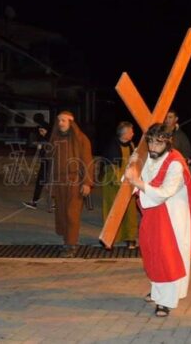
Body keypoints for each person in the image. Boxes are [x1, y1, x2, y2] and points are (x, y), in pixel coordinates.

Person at [123, 123, 191, 317]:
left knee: (168, 257)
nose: (154, 147)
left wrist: (137, 182)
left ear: (168, 142)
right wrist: (132, 165)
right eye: (151, 142)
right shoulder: (150, 157)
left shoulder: (175, 163)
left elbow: (164, 193)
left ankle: (166, 301)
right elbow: (135, 178)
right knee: (153, 253)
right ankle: (158, 292)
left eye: (159, 143)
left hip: (172, 218)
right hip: (154, 215)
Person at [48, 110, 94, 257]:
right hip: (59, 181)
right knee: (61, 213)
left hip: (75, 181)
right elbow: (51, 162)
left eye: (64, 120)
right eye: (59, 120)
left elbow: (87, 161)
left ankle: (71, 245)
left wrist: (87, 183)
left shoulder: (81, 139)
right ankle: (66, 240)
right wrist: (50, 182)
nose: (60, 123)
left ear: (71, 123)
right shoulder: (55, 139)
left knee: (71, 213)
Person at [101, 121, 138, 249]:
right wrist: (119, 182)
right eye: (131, 131)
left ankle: (130, 238)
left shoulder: (132, 145)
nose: (133, 133)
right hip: (112, 183)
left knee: (130, 212)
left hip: (128, 182)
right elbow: (110, 167)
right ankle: (109, 238)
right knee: (112, 211)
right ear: (125, 133)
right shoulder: (112, 145)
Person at [22, 115, 52, 210]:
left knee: (52, 184)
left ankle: (54, 203)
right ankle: (34, 202)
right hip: (45, 163)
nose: (41, 133)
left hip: (52, 164)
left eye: (43, 131)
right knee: (40, 182)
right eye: (40, 131)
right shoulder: (43, 138)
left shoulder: (51, 138)